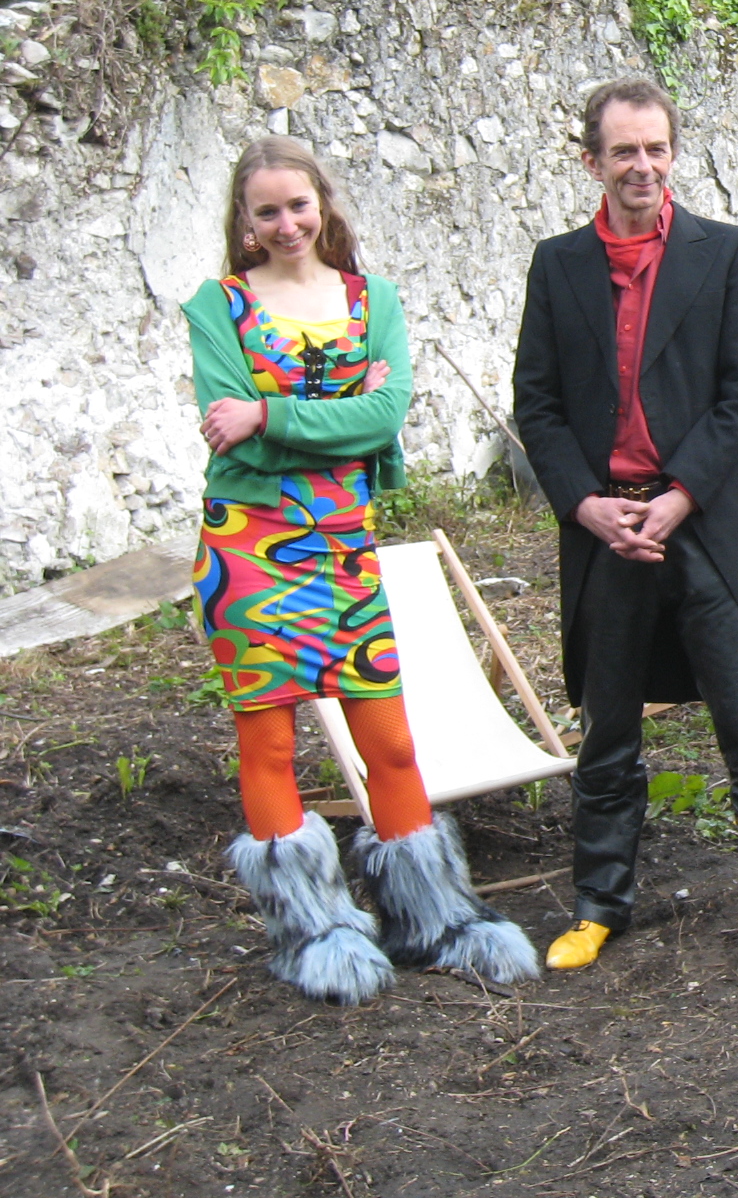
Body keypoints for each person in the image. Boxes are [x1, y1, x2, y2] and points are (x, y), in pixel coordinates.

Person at [513, 77, 738, 966]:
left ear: (672, 153)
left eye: (656, 148)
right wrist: (586, 505)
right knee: (608, 729)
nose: (642, 165)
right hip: (606, 529)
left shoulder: (723, 252)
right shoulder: (557, 265)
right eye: (623, 151)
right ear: (591, 161)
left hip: (698, 521)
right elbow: (538, 404)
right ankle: (598, 904)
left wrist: (678, 498)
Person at [187, 137, 538, 1005]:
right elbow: (229, 432)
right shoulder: (218, 306)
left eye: (298, 205)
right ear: (245, 222)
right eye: (267, 211)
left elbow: (383, 420)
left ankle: (434, 920)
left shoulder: (369, 299)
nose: (286, 224)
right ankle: (314, 932)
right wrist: (333, 409)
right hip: (246, 548)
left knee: (390, 741)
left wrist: (267, 412)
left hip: (342, 549)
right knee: (270, 742)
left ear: (323, 205)